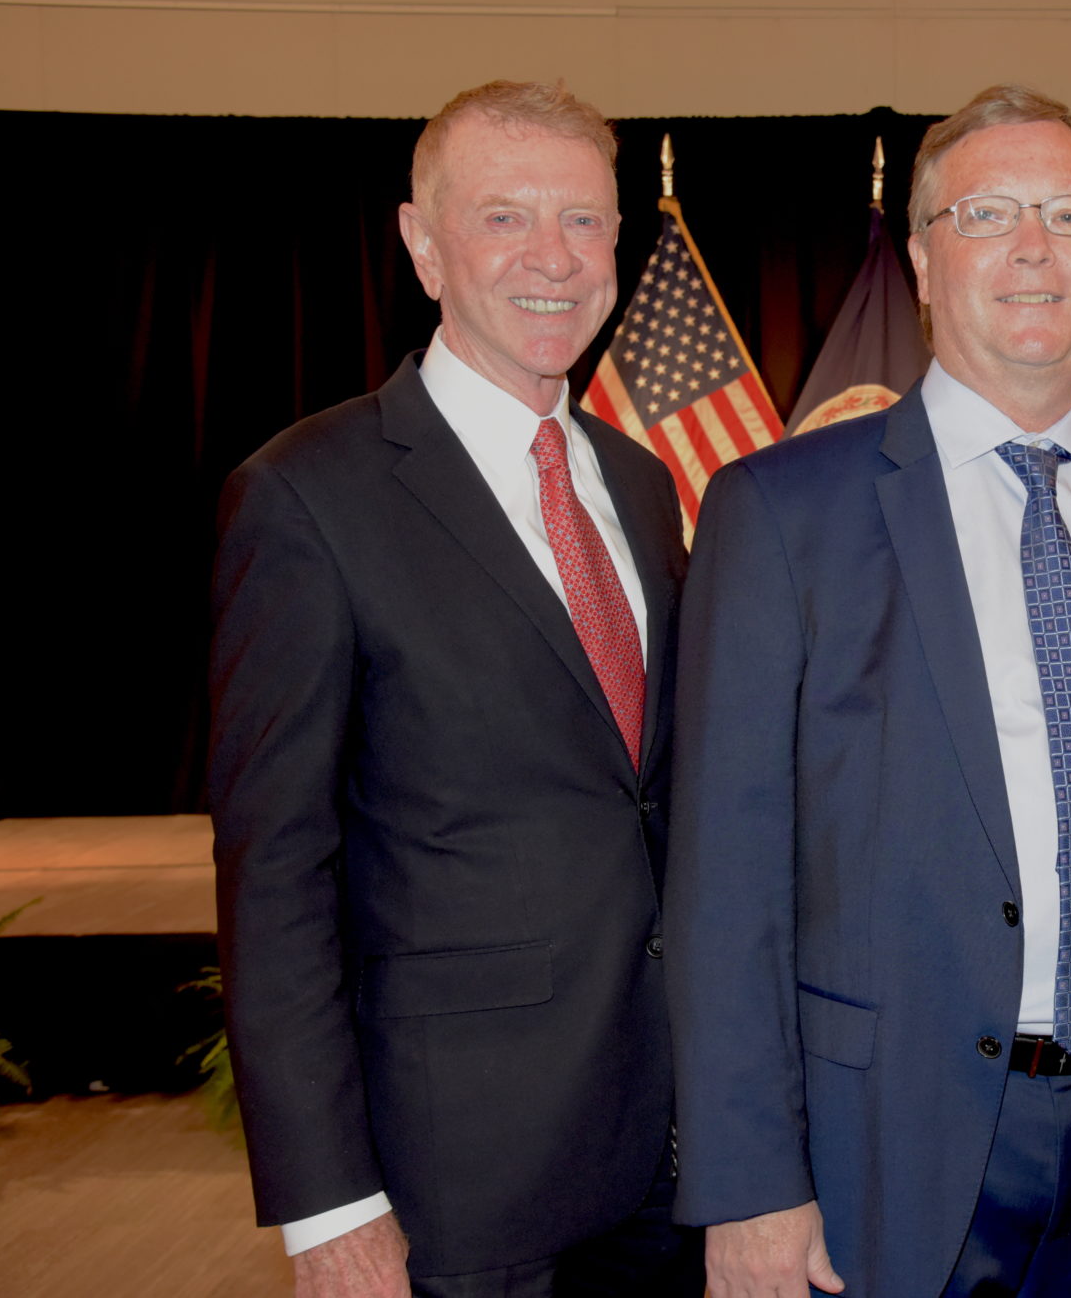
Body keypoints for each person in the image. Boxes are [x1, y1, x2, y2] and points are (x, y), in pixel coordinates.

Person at [664, 84, 1071, 1298]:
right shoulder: (781, 511)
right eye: (989, 212)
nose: (1033, 247)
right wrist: (750, 1177)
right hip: (889, 1145)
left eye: (1069, 215)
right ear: (920, 255)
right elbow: (723, 877)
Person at [209, 80, 702, 1298]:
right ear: (422, 247)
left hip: (668, 1159)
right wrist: (330, 1201)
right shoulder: (307, 495)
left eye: (584, 221)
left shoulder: (641, 487)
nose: (553, 257)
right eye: (505, 217)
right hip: (453, 1185)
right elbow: (275, 875)